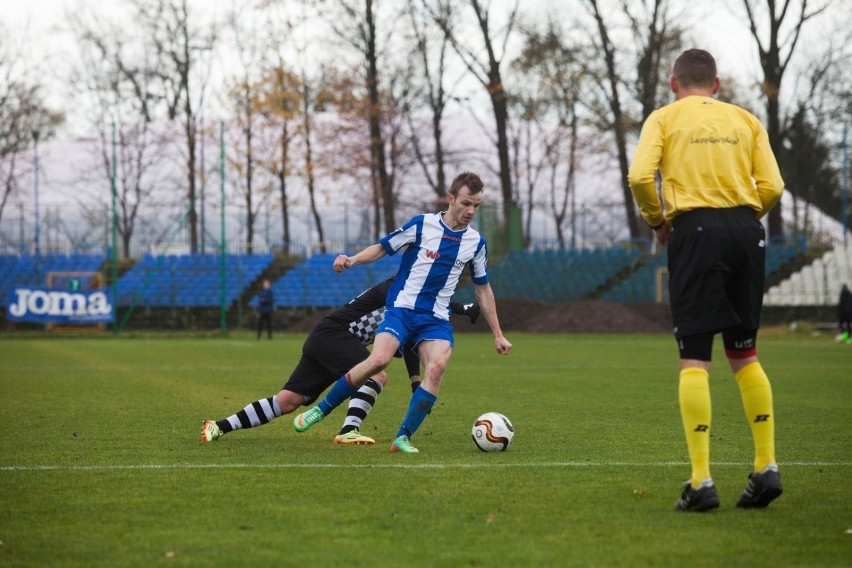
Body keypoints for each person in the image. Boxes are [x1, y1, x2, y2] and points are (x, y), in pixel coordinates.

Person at [628, 49, 785, 512]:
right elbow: (773, 186)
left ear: (674, 84)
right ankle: (766, 466)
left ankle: (701, 482)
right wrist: (743, 217)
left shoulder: (664, 117)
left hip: (695, 231)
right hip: (746, 229)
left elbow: (640, 176)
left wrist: (658, 222)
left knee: (695, 357)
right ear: (716, 84)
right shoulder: (746, 119)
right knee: (745, 352)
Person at [293, 171, 513, 454]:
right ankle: (321, 410)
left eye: (477, 205)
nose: (471, 210)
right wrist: (353, 259)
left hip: (435, 319)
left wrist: (498, 334)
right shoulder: (422, 225)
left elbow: (483, 289)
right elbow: (382, 248)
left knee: (436, 367)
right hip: (401, 310)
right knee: (379, 360)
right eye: (466, 203)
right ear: (451, 199)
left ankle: (403, 437)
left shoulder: (476, 243)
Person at [201, 277, 480, 445]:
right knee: (377, 374)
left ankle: (219, 426)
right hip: (336, 335)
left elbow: (410, 342)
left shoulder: (409, 304)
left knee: (288, 401)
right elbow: (430, 307)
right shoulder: (398, 287)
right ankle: (349, 430)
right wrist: (461, 308)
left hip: (326, 338)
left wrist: (415, 383)